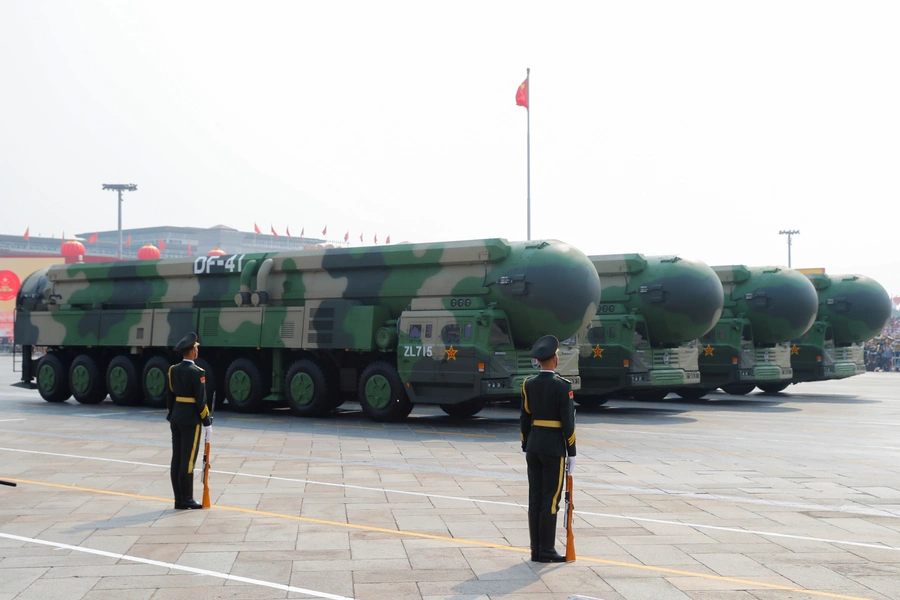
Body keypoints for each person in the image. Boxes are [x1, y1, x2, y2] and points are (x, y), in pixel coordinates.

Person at [520, 334, 576, 563]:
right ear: (553, 360)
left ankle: (536, 549)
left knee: (535, 497)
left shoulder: (528, 384)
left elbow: (525, 416)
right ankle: (547, 550)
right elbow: (568, 422)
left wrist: (526, 443)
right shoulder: (563, 386)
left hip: (533, 445)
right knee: (550, 499)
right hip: (553, 447)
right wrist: (571, 451)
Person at [167, 332, 212, 509]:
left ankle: (179, 499)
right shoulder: (197, 372)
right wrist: (207, 422)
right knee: (189, 460)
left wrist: (171, 414)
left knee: (176, 458)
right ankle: (187, 499)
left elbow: (170, 397)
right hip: (191, 420)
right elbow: (201, 401)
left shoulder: (173, 370)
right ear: (192, 351)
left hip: (176, 417)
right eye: (196, 348)